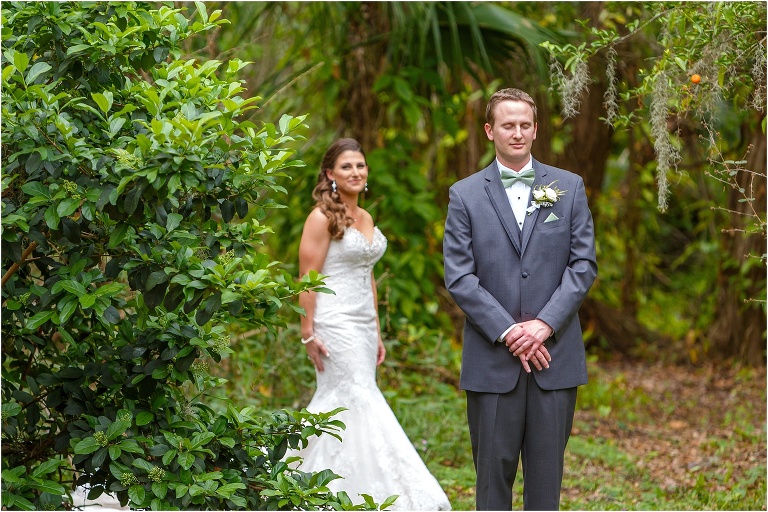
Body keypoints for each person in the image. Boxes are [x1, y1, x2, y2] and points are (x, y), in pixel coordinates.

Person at [443, 88, 598, 510]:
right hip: (493, 362)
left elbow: (583, 265)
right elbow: (459, 277)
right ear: (490, 130)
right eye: (507, 125)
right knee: (492, 486)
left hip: (555, 358)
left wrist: (544, 324)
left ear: (536, 129)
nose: (517, 133)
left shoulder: (568, 187)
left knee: (546, 488)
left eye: (525, 125)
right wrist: (510, 331)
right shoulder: (465, 194)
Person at [289, 138, 451, 511]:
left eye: (360, 166)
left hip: (362, 325)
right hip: (333, 321)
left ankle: (327, 483)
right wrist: (307, 331)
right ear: (330, 174)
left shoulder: (365, 218)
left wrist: (376, 331)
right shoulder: (321, 218)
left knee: (344, 401)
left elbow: (369, 276)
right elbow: (306, 276)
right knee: (358, 398)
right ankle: (340, 491)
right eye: (346, 166)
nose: (356, 172)